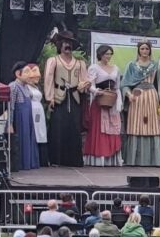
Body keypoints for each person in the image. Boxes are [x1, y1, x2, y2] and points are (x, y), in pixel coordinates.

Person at [42, 32, 87, 167]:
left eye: (70, 43)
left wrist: (83, 85)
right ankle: (56, 159)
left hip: (74, 97)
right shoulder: (53, 61)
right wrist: (50, 98)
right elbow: (48, 79)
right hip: (59, 97)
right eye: (65, 43)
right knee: (58, 127)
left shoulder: (80, 63)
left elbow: (84, 80)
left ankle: (74, 160)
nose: (67, 45)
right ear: (60, 45)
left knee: (74, 127)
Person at [121, 41, 160, 167]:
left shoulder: (155, 65)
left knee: (152, 125)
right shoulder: (132, 66)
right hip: (137, 97)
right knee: (136, 126)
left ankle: (154, 160)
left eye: (147, 48)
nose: (145, 51)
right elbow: (124, 84)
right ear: (138, 50)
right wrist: (129, 95)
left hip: (152, 96)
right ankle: (133, 159)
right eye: (142, 48)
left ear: (150, 50)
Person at [82, 44, 123, 167]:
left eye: (110, 54)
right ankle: (99, 157)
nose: (108, 56)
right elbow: (90, 84)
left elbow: (117, 86)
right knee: (99, 129)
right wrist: (97, 92)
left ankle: (112, 157)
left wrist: (119, 101)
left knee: (113, 128)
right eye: (106, 54)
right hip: (99, 102)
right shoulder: (94, 68)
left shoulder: (115, 68)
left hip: (112, 101)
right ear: (100, 54)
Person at [10, 63, 46, 171]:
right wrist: (10, 123)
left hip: (28, 116)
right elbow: (11, 106)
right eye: (26, 72)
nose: (29, 74)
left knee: (30, 139)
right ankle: (21, 164)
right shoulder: (13, 86)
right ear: (18, 74)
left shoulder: (26, 87)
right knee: (21, 140)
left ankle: (29, 163)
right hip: (20, 117)